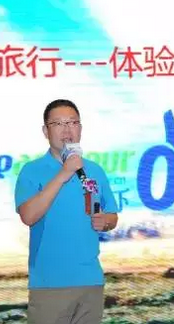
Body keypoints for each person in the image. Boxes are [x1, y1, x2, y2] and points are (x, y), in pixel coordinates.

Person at [15, 99, 119, 324]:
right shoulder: (31, 170)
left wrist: (106, 221)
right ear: (46, 131)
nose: (67, 129)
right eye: (59, 124)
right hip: (50, 283)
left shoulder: (95, 170)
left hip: (90, 280)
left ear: (80, 128)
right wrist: (64, 173)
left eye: (72, 122)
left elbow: (112, 215)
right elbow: (28, 216)